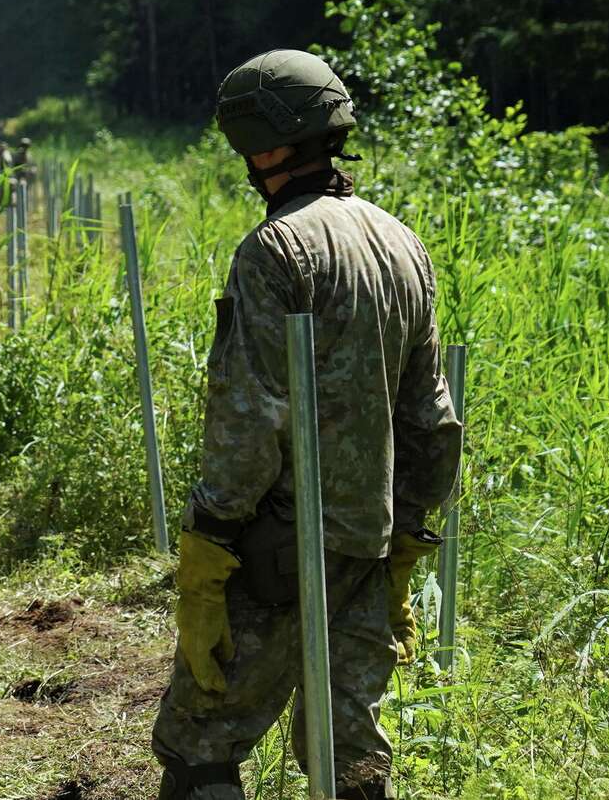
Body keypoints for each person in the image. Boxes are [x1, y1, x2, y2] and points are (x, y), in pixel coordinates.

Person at [152, 50, 463, 800]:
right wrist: (411, 531)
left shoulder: (273, 250)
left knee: (201, 738)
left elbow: (247, 419)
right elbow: (431, 413)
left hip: (275, 548)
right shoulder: (401, 242)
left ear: (266, 148)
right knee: (349, 754)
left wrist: (209, 541)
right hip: (373, 537)